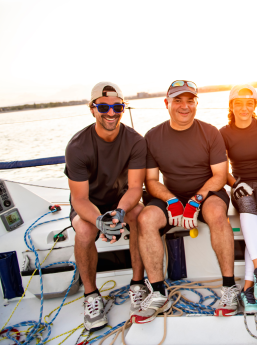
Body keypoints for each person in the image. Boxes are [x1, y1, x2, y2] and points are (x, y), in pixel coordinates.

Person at [134, 80, 237, 322]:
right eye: (178, 100)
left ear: (196, 104)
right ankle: (158, 292)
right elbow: (151, 180)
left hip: (207, 193)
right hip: (172, 195)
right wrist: (171, 201)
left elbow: (220, 176)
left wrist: (195, 200)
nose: (185, 106)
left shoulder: (210, 132)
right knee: (146, 218)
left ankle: (229, 288)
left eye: (190, 101)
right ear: (166, 103)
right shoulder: (153, 136)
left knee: (216, 214)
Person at [64, 81, 147, 331]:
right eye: (103, 106)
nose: (111, 112)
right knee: (86, 231)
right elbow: (79, 199)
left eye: (117, 107)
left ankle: (137, 285)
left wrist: (120, 212)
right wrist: (100, 220)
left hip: (121, 199)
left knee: (139, 215)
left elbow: (135, 188)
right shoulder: (77, 147)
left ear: (123, 108)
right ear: (92, 109)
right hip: (90, 202)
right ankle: (91, 296)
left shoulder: (135, 141)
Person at [219, 84, 257, 314]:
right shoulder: (223, 132)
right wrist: (235, 183)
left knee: (251, 218)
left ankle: (249, 288)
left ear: (255, 106)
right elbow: (222, 169)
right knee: (246, 206)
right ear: (231, 106)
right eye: (239, 103)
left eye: (249, 103)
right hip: (240, 183)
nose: (244, 108)